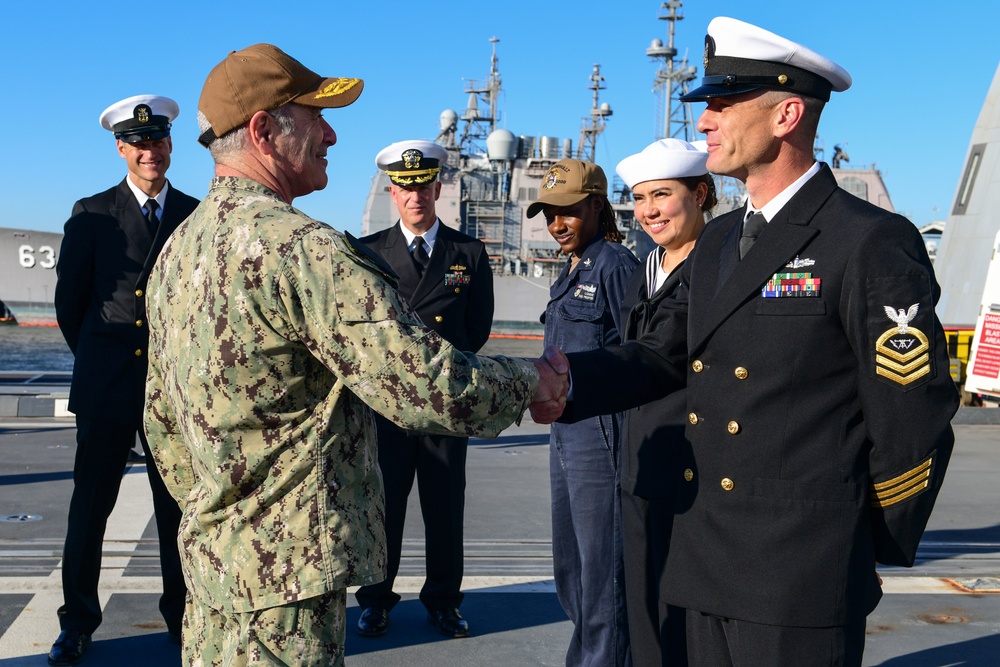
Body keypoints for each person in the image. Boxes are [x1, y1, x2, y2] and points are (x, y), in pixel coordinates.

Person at [535, 17, 958, 667]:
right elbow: (661, 355)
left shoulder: (867, 241)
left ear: (787, 114)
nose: (704, 122)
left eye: (723, 104)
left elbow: (913, 418)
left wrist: (856, 547)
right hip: (703, 561)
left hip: (800, 576)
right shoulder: (719, 244)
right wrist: (567, 379)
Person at [141, 43, 568, 666]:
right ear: (263, 130)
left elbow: (160, 422)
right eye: (316, 117)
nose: (331, 133)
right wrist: (532, 381)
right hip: (289, 582)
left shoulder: (177, 252)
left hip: (214, 574)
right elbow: (428, 385)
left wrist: (225, 520)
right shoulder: (304, 249)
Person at [50, 94, 197, 666]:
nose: (149, 151)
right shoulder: (91, 214)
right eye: (137, 143)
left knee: (177, 510)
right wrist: (100, 360)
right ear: (121, 149)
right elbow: (71, 304)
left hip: (171, 388)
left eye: (157, 141)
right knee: (91, 507)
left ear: (169, 144)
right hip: (108, 382)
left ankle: (182, 617)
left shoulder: (192, 212)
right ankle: (78, 623)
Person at [354, 140, 493, 639]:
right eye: (405, 188)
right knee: (383, 507)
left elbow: (476, 330)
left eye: (423, 187)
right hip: (389, 409)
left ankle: (443, 601)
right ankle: (375, 600)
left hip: (443, 408)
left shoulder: (468, 254)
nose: (415, 196)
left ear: (438, 188)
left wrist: (440, 379)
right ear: (393, 192)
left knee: (443, 507)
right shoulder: (369, 251)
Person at [529, 158, 639, 666]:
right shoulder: (573, 268)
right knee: (570, 568)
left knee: (602, 572)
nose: (557, 224)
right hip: (567, 433)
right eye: (549, 213)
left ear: (597, 206)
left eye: (568, 211)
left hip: (601, 434)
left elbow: (642, 355)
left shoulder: (616, 266)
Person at [614, 138, 715, 666]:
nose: (648, 211)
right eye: (639, 198)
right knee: (643, 606)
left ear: (700, 193)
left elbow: (657, 355)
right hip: (639, 460)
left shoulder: (719, 269)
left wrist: (561, 383)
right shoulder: (644, 267)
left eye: (662, 195)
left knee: (687, 612)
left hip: (692, 468)